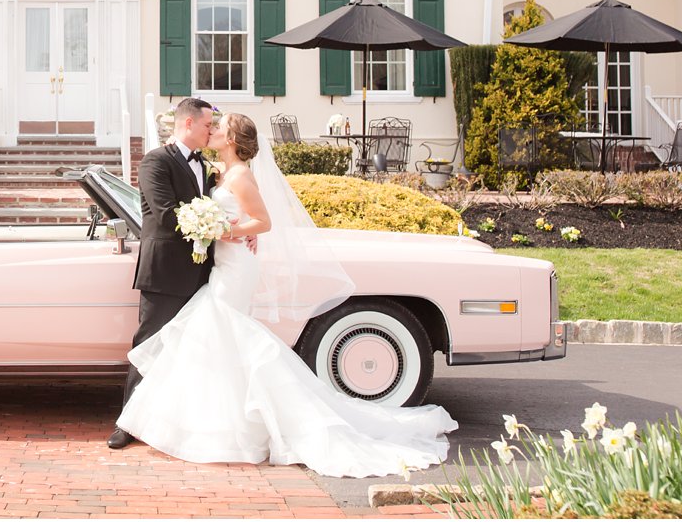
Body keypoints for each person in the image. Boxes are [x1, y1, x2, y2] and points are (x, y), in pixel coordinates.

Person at [114, 113, 458, 476]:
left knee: (221, 333)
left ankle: (228, 425)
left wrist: (228, 231)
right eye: (209, 126)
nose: (212, 130)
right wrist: (232, 228)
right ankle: (212, 421)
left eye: (219, 127)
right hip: (219, 266)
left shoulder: (241, 175)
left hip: (235, 268)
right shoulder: (216, 171)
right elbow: (218, 214)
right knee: (218, 340)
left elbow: (263, 220)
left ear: (231, 139)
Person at [108, 96, 219, 450]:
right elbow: (166, 214)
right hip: (166, 271)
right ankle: (127, 423)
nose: (211, 131)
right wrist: (218, 226)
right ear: (188, 124)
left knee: (193, 349)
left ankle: (179, 424)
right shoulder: (155, 161)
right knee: (149, 346)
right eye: (207, 125)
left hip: (204, 272)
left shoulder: (205, 164)